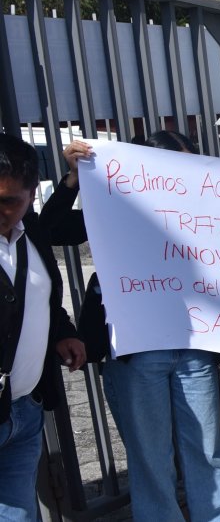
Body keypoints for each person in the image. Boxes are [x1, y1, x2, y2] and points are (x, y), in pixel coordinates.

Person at [44, 133, 220, 521]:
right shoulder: (113, 208)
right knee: (151, 456)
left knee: (207, 448)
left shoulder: (206, 210)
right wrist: (72, 182)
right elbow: (51, 231)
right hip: (135, 349)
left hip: (194, 346)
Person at [0, 134, 86, 520]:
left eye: (9, 201)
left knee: (18, 513)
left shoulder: (30, 231)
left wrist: (63, 331)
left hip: (26, 408)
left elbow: (43, 297)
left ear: (32, 194)